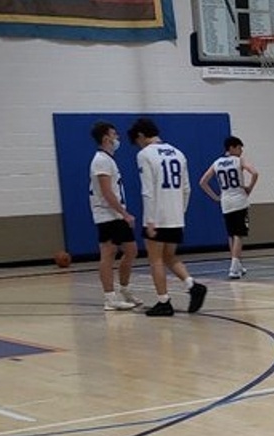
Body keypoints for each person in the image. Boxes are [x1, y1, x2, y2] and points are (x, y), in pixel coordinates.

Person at [127, 117, 207, 316]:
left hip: (157, 215)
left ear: (141, 136)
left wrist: (151, 219)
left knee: (155, 260)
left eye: (137, 142)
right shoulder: (179, 153)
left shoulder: (145, 154)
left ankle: (164, 301)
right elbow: (187, 188)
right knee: (169, 256)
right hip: (175, 215)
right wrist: (181, 213)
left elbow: (148, 190)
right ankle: (192, 285)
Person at [88, 121, 141, 311]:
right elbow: (106, 192)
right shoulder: (101, 160)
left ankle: (125, 290)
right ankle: (110, 298)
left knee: (131, 250)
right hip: (107, 214)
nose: (117, 137)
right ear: (105, 138)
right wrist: (125, 213)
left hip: (115, 215)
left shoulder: (108, 159)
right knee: (108, 254)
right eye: (114, 134)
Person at [200, 135, 258, 279]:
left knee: (231, 234)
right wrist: (249, 188)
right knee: (239, 234)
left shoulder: (217, 163)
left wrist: (215, 197)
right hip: (239, 200)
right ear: (231, 148)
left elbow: (203, 182)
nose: (241, 151)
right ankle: (234, 266)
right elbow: (255, 173)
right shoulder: (238, 161)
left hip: (225, 202)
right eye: (239, 148)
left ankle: (237, 265)